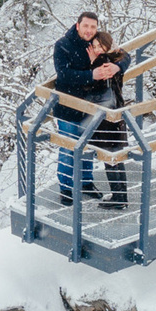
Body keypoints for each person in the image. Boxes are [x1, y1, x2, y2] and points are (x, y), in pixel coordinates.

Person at [50, 12, 123, 205]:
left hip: (91, 107)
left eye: (93, 27)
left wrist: (118, 67)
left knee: (87, 146)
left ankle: (86, 182)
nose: (89, 30)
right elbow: (64, 74)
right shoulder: (63, 45)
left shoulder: (97, 42)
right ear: (77, 26)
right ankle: (66, 187)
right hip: (68, 106)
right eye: (86, 26)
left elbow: (124, 55)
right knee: (69, 147)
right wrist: (92, 75)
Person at [85, 31, 133, 209]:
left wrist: (90, 63)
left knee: (109, 158)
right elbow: (126, 55)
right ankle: (121, 196)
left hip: (106, 116)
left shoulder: (102, 63)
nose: (97, 49)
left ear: (107, 45)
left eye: (99, 46)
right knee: (116, 157)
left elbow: (91, 86)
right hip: (117, 113)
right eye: (94, 46)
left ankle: (118, 198)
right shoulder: (116, 59)